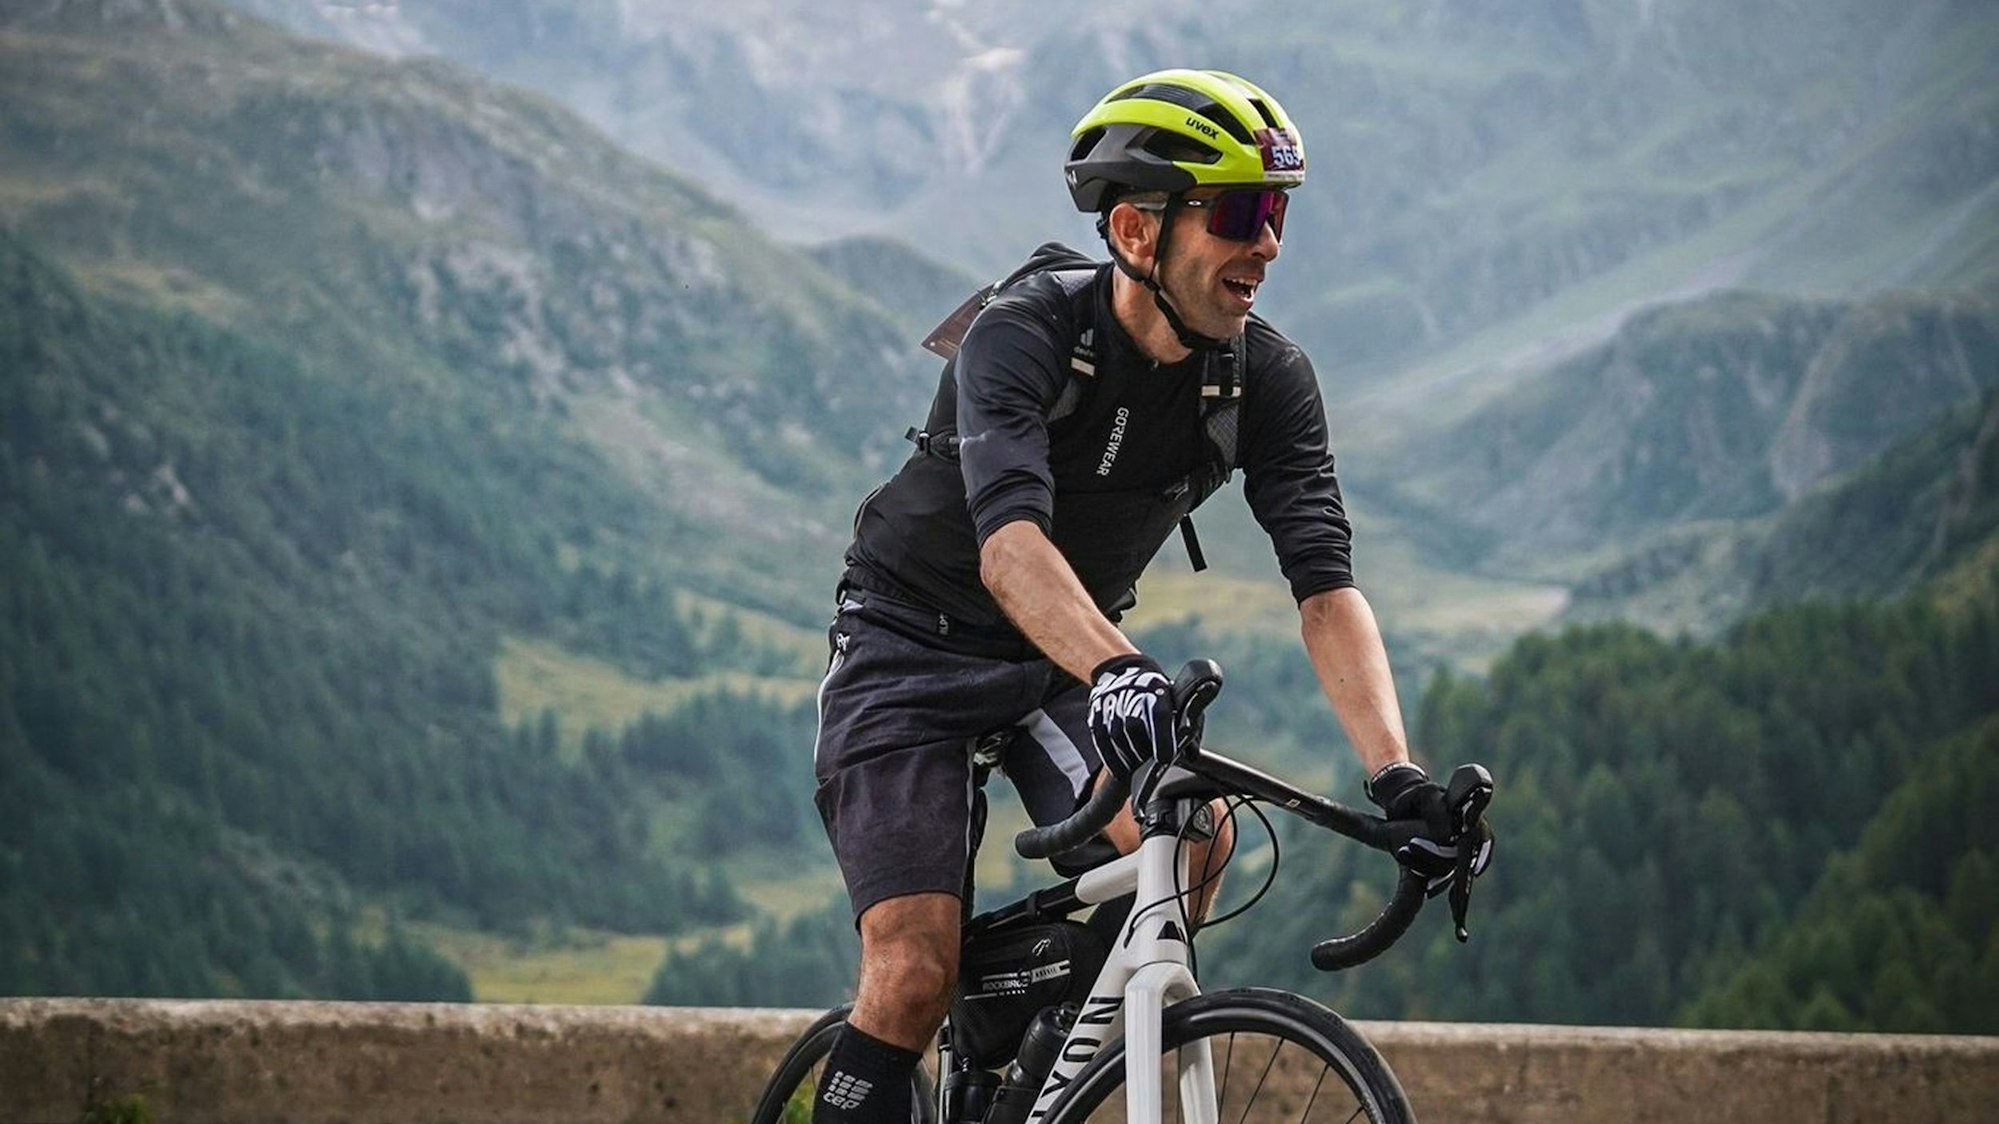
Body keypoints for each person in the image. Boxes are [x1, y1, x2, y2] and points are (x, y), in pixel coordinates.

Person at [808, 69, 1476, 1123]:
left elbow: (1324, 586)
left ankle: (1020, 1046)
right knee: (908, 971)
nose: (1268, 244)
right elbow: (1011, 544)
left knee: (1196, 843)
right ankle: (938, 1011)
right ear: (1133, 229)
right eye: (1242, 212)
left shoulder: (1266, 379)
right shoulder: (1024, 334)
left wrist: (1395, 773)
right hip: (908, 651)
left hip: (1053, 664)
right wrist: (1118, 664)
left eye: (1280, 213)